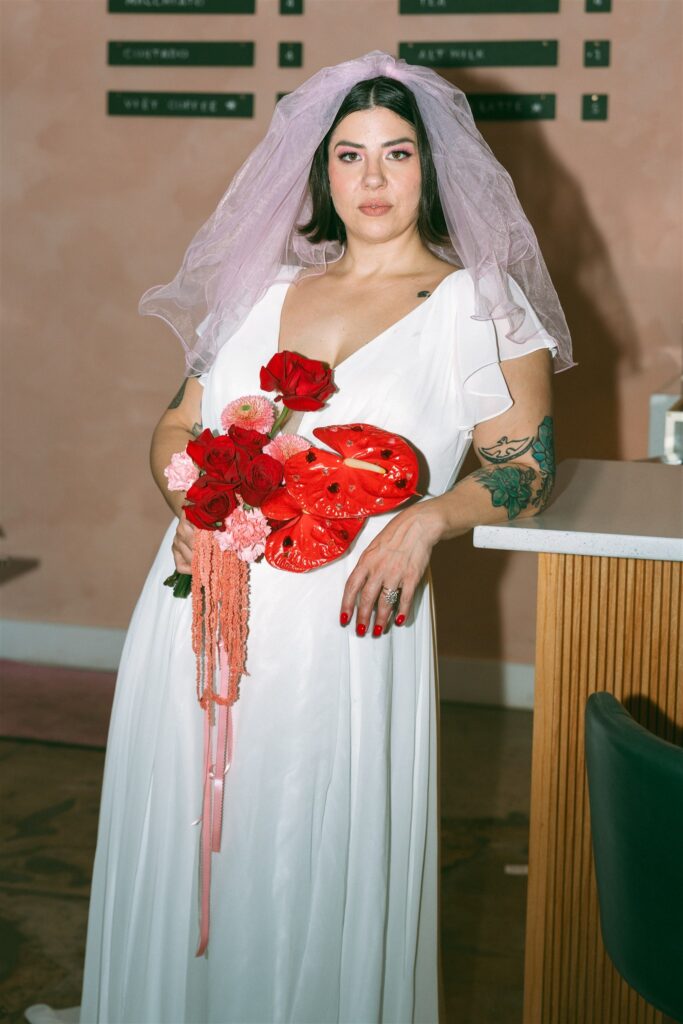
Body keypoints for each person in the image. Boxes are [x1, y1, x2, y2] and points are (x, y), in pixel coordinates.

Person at [26, 50, 573, 1024]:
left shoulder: (481, 306)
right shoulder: (261, 289)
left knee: (299, 832)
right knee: (190, 821)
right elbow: (173, 427)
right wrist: (184, 506)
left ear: (431, 169)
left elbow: (523, 468)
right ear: (319, 172)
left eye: (396, 155)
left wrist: (426, 519)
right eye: (349, 156)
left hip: (346, 622)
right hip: (198, 601)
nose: (371, 180)